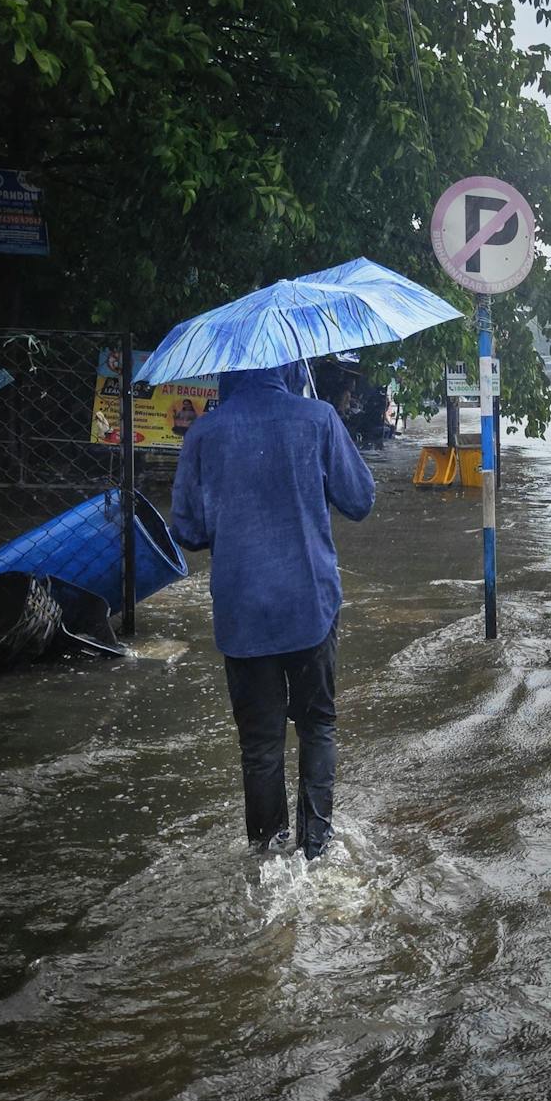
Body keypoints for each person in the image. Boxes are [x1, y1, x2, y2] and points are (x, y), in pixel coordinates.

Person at [169, 360, 375, 859]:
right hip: (311, 606)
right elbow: (361, 499)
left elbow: (188, 531)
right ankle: (315, 852)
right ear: (288, 366)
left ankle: (266, 859)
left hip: (243, 614)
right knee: (317, 727)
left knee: (260, 746)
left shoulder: (203, 433)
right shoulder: (319, 418)